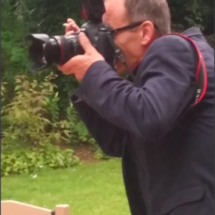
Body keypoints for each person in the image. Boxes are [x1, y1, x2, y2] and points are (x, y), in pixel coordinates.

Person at [58, 0, 214, 214]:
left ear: (145, 32)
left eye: (108, 32)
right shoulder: (154, 75)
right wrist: (84, 74)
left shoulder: (173, 48)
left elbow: (149, 117)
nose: (101, 43)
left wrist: (94, 72)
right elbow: (118, 141)